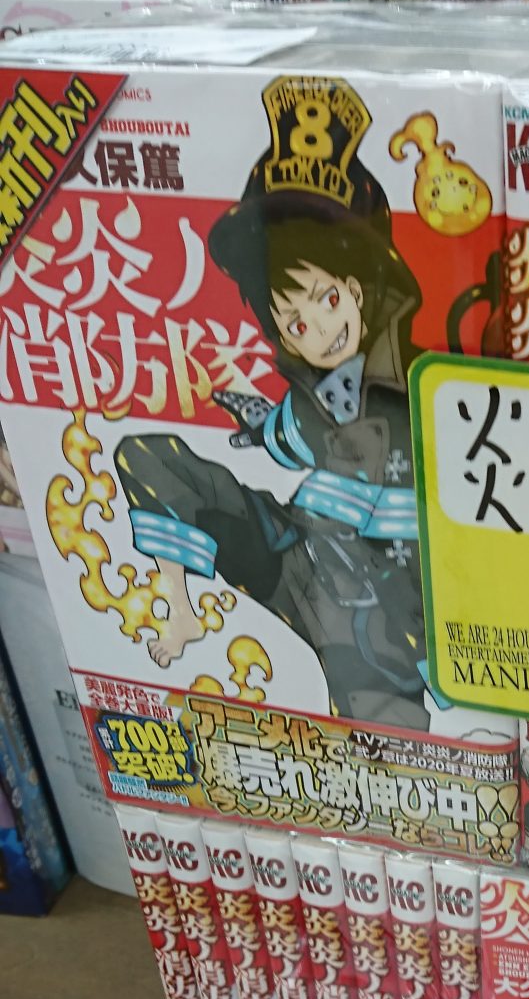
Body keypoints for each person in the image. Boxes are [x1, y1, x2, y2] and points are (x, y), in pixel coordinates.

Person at [112, 74, 472, 731]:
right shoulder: (307, 397)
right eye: (294, 322)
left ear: (359, 290)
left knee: (385, 744)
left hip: (381, 614)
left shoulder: (429, 387)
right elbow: (285, 433)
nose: (315, 329)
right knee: (149, 455)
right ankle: (180, 607)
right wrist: (256, 421)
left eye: (327, 300)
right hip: (296, 559)